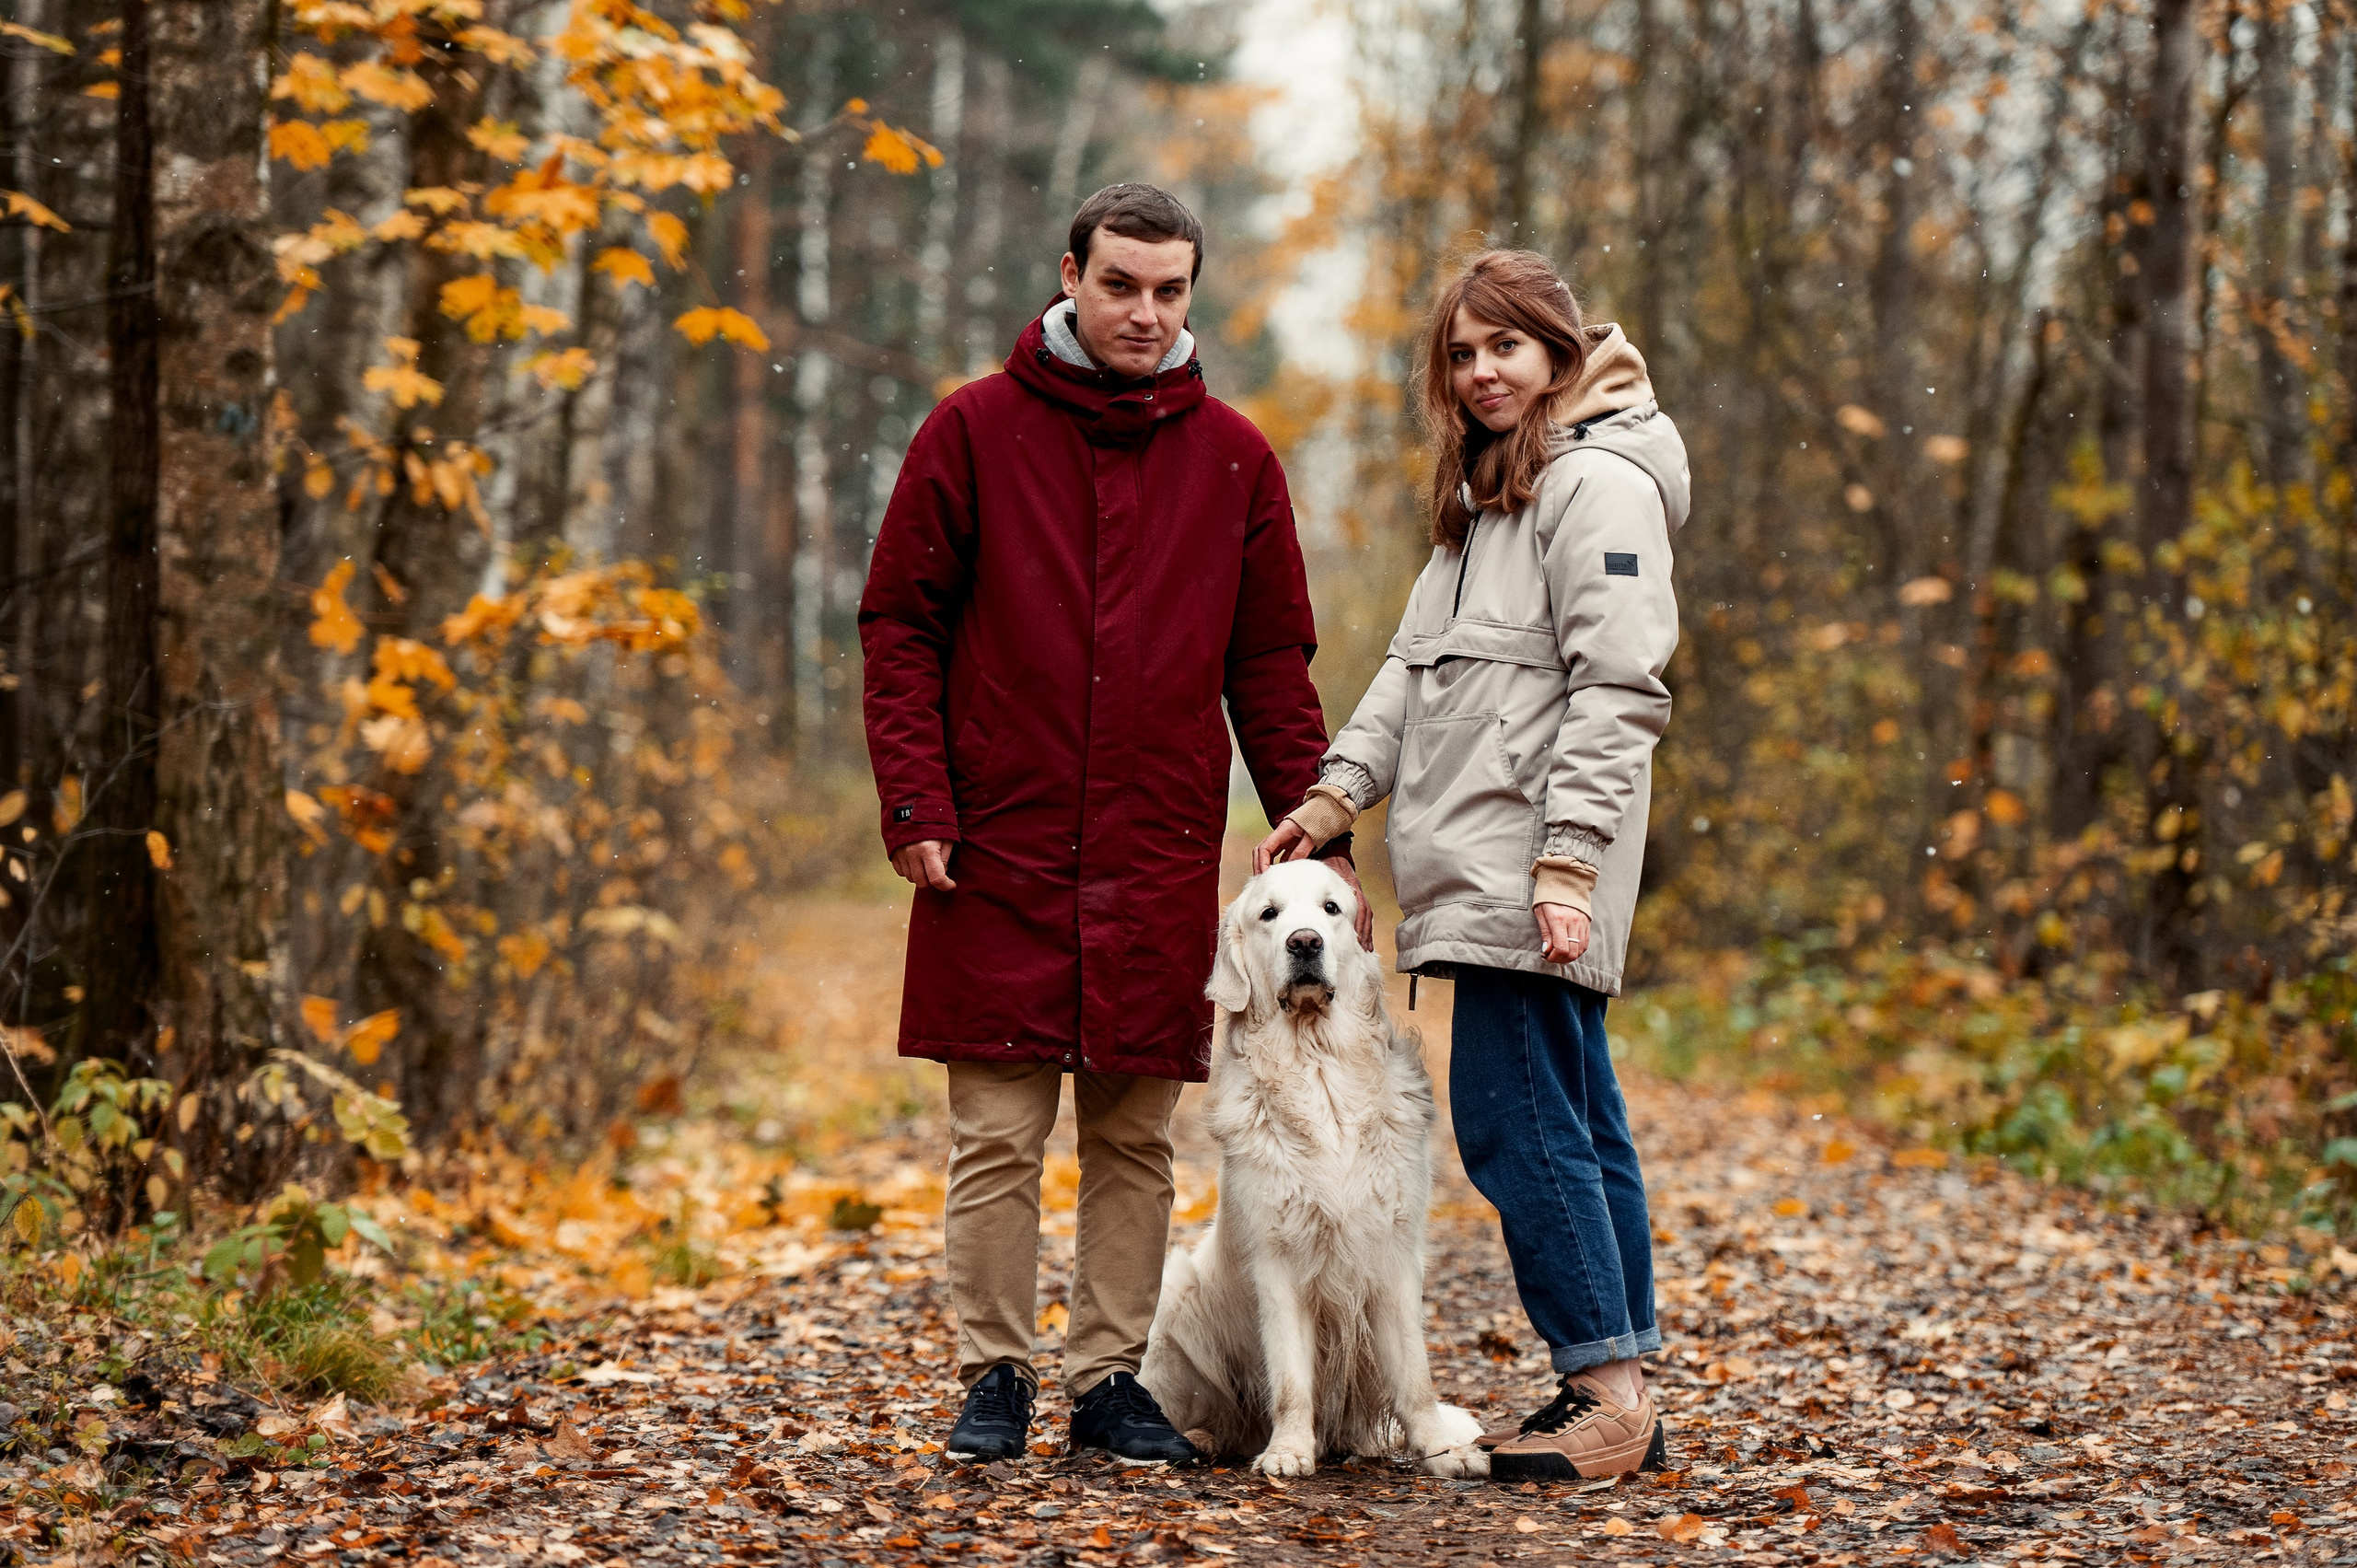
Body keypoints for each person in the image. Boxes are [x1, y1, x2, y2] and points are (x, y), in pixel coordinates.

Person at [859, 183, 1365, 1465]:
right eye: (1122, 285)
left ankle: (1105, 1383)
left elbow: (1269, 662)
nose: (1146, 313)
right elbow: (900, 624)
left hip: (1151, 847)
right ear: (1070, 277)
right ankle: (994, 1375)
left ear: (1193, 293)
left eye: (1170, 290)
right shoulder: (971, 432)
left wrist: (1317, 821)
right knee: (996, 1134)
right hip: (998, 842)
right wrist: (916, 793)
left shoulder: (1237, 459)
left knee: (1135, 1140)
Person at [1256, 249, 1689, 1481]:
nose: (1484, 370)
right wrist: (1336, 797)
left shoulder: (1596, 487)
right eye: (1462, 352)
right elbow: (1410, 671)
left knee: (1518, 1123)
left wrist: (1567, 864)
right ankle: (1625, 1391)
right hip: (1489, 864)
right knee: (1574, 1113)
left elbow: (1618, 691)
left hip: (1533, 862)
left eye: (1506, 344)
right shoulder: (1493, 495)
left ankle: (1602, 1390)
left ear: (1558, 350)